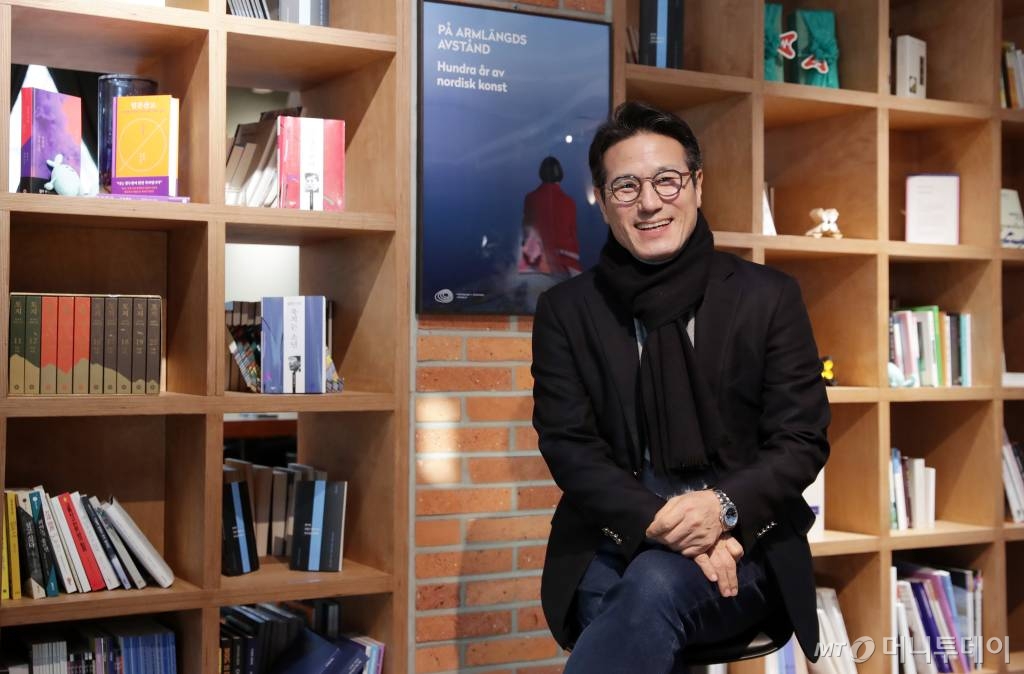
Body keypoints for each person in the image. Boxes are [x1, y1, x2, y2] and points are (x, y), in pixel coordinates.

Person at [531, 101, 830, 673]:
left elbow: (801, 439)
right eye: (626, 186)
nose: (649, 202)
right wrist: (663, 525)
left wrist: (723, 510)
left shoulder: (768, 297)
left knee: (651, 589)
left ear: (696, 185)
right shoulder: (567, 311)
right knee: (630, 596)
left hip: (747, 538)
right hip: (618, 532)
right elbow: (569, 446)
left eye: (667, 180)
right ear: (601, 201)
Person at [519, 156, 583, 277]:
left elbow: (525, 230)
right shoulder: (569, 202)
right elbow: (572, 236)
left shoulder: (530, 199)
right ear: (560, 174)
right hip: (565, 264)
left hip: (536, 264)